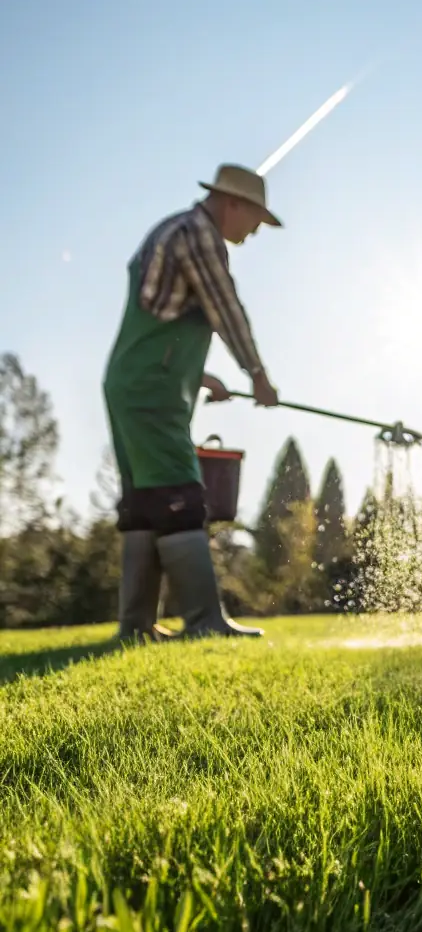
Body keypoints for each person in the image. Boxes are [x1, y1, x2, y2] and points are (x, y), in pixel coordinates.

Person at [103, 164, 281, 641]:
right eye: (255, 221)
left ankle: (135, 627)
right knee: (182, 492)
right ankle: (204, 621)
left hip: (134, 382)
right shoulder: (199, 235)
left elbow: (162, 315)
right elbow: (225, 308)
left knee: (143, 504)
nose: (253, 232)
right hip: (152, 391)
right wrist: (258, 375)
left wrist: (200, 376)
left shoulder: (173, 230)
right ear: (233, 204)